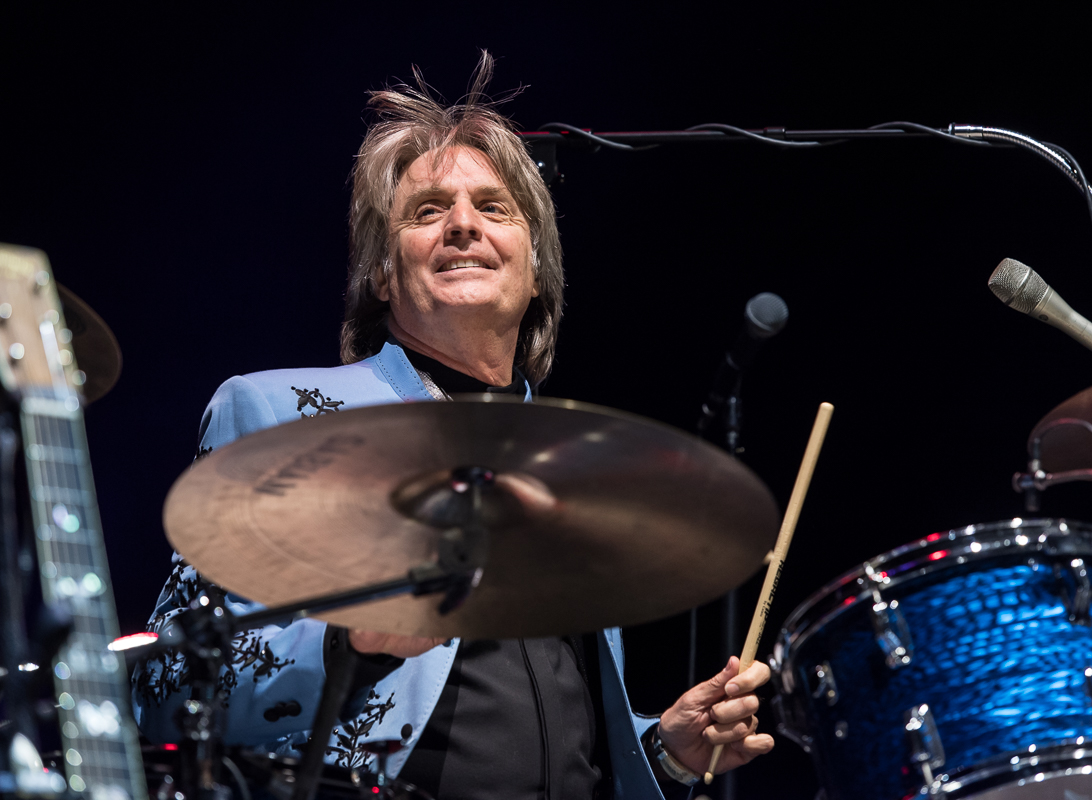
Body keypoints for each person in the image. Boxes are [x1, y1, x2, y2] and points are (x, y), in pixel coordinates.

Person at [132, 54, 773, 800]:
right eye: (427, 211)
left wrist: (661, 750)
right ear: (381, 273)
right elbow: (166, 689)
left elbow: (556, 733)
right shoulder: (280, 414)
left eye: (494, 209)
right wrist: (351, 643)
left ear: (536, 270)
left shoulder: (573, 461)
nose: (463, 225)